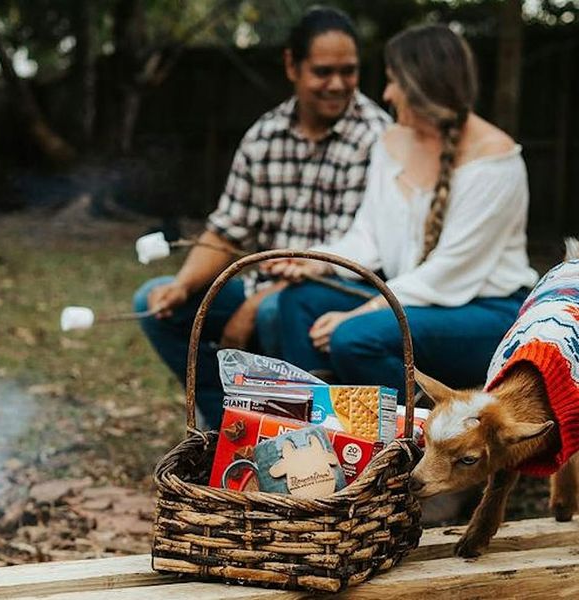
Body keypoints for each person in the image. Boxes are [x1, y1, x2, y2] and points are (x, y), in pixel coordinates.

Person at [134, 6, 392, 430]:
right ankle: (229, 425)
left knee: (277, 311)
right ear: (292, 65)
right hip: (267, 287)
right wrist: (182, 285)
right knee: (153, 300)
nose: (338, 85)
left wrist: (256, 304)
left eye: (349, 72)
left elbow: (354, 259)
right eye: (323, 71)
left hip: (342, 294)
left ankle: (301, 436)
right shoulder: (263, 135)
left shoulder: (375, 137)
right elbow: (226, 228)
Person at [267, 24, 539, 395]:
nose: (387, 93)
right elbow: (368, 236)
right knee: (298, 301)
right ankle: (317, 429)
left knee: (354, 337)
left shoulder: (495, 160)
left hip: (487, 313)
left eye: (395, 81)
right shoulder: (390, 142)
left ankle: (411, 438)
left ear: (421, 86)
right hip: (409, 301)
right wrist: (316, 261)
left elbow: (448, 274)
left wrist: (365, 311)